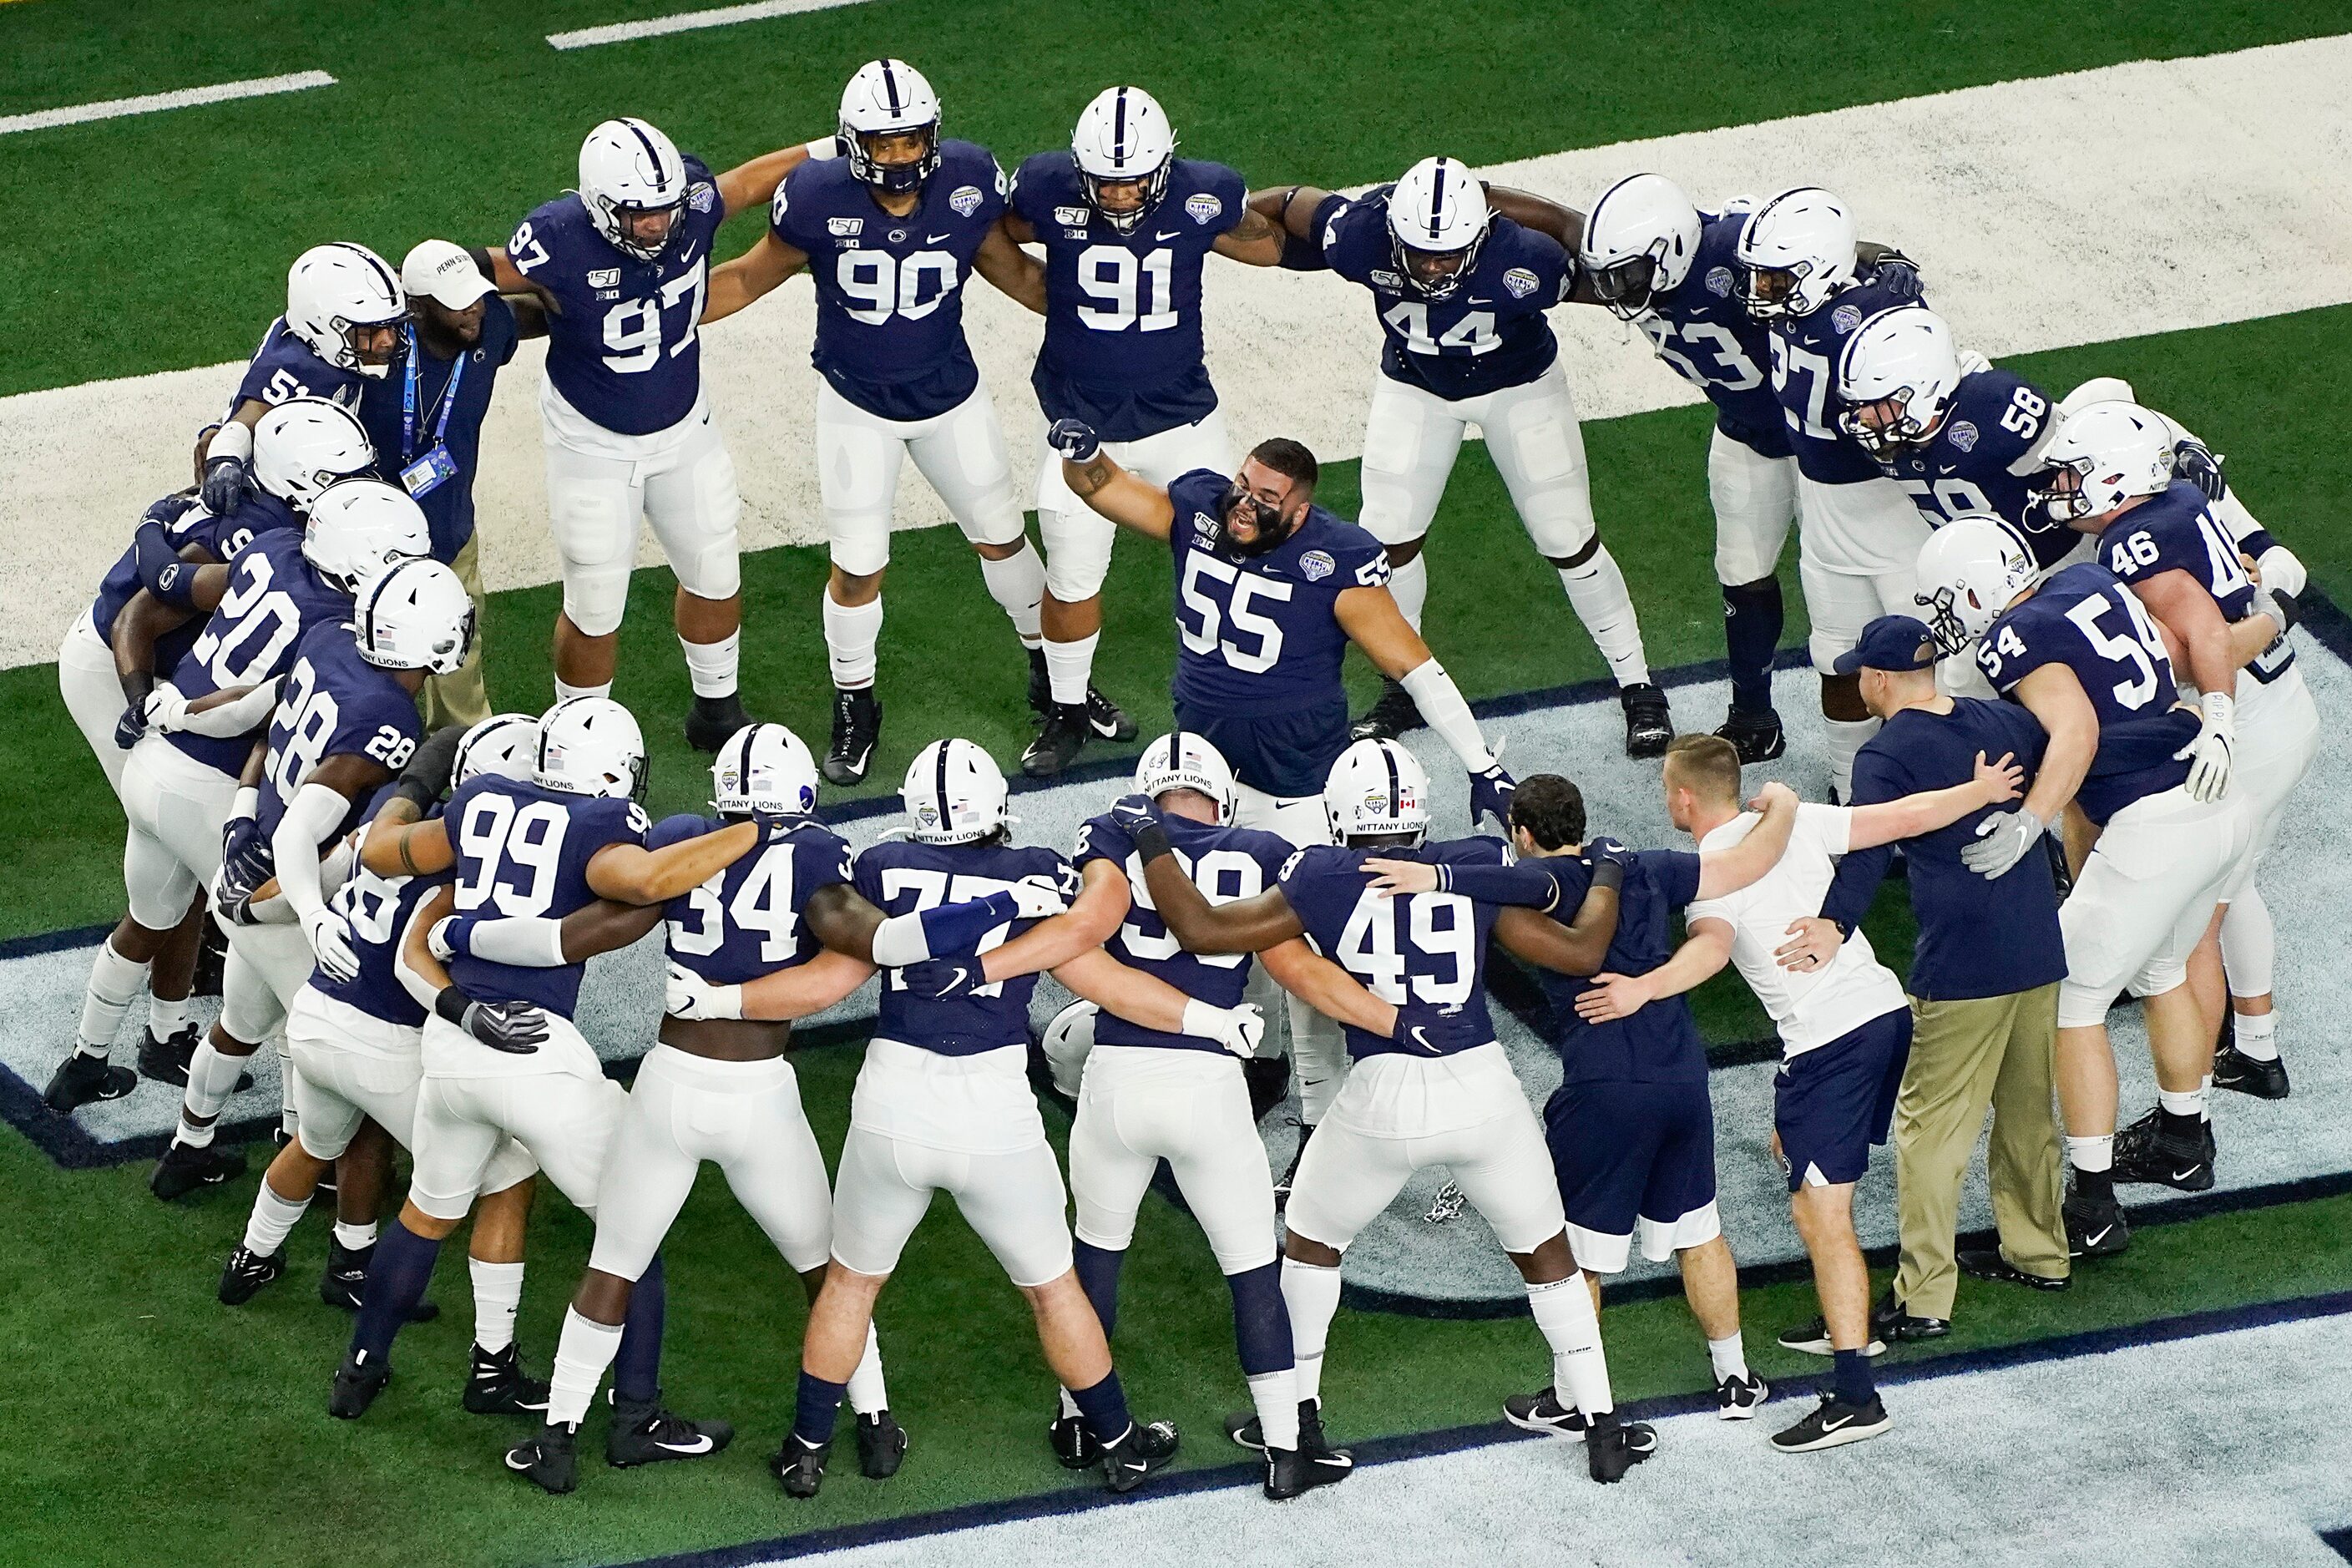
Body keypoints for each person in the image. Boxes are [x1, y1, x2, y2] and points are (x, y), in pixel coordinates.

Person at [495, 725, 1070, 1495]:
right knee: (832, 1274)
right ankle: (872, 1422)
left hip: (669, 1080)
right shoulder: (815, 854)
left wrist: (472, 935)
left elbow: (611, 915)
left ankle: (558, 1435)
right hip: (756, 1089)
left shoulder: (683, 836)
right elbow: (892, 943)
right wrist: (1005, 901)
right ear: (801, 790)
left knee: (613, 1264)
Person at [1130, 736, 1671, 1484]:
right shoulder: (1471, 863)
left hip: (1381, 1092)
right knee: (1548, 1257)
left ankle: (1294, 1424)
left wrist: (1149, 836)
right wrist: (1605, 868)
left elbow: (1202, 929)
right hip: (1480, 1087)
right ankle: (1602, 1426)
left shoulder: (1322, 873)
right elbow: (1581, 953)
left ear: (1336, 811)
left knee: (1311, 1244)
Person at [756, 739, 1247, 1499]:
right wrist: (1209, 1022)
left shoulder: (880, 867)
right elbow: (1104, 976)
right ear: (999, 812)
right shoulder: (1034, 875)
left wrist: (725, 1004)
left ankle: (806, 1447)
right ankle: (1118, 1443)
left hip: (893, 1094)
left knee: (851, 1284)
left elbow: (833, 972)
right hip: (993, 1110)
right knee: (1055, 1291)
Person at [1050, 427, 1515, 1192]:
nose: (1244, 502)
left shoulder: (1333, 560)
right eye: (1244, 484)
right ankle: (1257, 1062)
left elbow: (1414, 667)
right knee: (1210, 936)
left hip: (1297, 792)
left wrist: (1483, 764)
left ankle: (1317, 1128)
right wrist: (1076, 453)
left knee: (1303, 969)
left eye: (1266, 497)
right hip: (1207, 786)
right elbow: (1102, 488)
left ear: (1299, 511)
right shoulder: (1201, 506)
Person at [335, 696, 756, 1466]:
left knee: (428, 1212)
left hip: (455, 1046)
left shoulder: (482, 801)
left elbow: (385, 853)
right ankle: (637, 1417)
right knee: (633, 1230)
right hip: (537, 1053)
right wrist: (750, 829)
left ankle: (359, 1370)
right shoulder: (600, 826)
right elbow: (646, 878)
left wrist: (422, 779)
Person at [974, 732, 1392, 1498]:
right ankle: (1284, 1449)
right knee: (1251, 1273)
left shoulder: (1107, 833)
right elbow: (1301, 954)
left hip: (1117, 1076)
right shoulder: (1264, 849)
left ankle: (1081, 1422)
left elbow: (1080, 931)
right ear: (1220, 793)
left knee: (1092, 1259)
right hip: (1208, 1086)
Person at [1580, 731, 2021, 1449]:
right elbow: (1903, 817)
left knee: (1824, 1219)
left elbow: (1711, 948)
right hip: (1881, 1017)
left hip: (1829, 1042)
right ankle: (1843, 1325)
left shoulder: (1711, 868)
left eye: (1667, 788)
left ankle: (1855, 1393)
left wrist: (1643, 990)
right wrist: (1977, 792)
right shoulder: (1799, 817)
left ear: (1684, 797)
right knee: (1804, 1169)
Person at [698, 60, 1060, 785]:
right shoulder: (813, 197)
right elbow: (745, 276)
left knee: (1003, 540)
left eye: (909, 141)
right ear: (852, 142)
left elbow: (1014, 270)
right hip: (856, 406)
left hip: (950, 397)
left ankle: (1058, 681)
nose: (898, 157)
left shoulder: (966, 182)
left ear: (931, 136)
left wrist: (1098, 320)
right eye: (882, 143)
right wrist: (653, 309)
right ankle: (855, 702)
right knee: (858, 566)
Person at [1250, 160, 1672, 756]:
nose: (1430, 267)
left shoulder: (1528, 258)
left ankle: (1638, 686)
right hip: (1415, 386)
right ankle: (1403, 681)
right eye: (1418, 252)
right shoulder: (1362, 232)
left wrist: (1597, 245)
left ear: (1481, 236)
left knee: (1566, 536)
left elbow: (1614, 284)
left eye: (1446, 254)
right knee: (1386, 540)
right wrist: (1219, 214)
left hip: (1519, 388)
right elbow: (1286, 202)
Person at [1915, 517, 2253, 1258]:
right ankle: (2181, 1137)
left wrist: (2031, 819)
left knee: (2072, 1000)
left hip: (2155, 820)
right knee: (2161, 966)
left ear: (1978, 588)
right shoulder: (2084, 578)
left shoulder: (2015, 638)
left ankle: (2092, 1204)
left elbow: (2075, 732)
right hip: (2213, 796)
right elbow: (2166, 657)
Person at [216, 715, 554, 1417]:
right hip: (380, 1037)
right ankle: (492, 1363)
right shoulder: (476, 859)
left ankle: (251, 1259)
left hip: (316, 1015)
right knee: (508, 1174)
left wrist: (260, 908)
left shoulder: (388, 819)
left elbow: (330, 867)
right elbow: (425, 964)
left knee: (317, 1143)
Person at [2042, 402, 2315, 1174]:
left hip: (2243, 735)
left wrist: (2261, 630)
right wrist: (2273, 612)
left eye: (2071, 470)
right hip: (2274, 714)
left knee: (2186, 931)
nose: (2062, 485)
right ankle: (2253, 1049)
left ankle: (2182, 1126)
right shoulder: (2178, 502)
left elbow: (2207, 647)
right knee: (2233, 887)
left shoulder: (2138, 537)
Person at [480, 119, 816, 745]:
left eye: (663, 211)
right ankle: (577, 736)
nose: (657, 226)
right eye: (639, 215)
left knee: (715, 569)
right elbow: (488, 271)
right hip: (592, 442)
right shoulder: (558, 237)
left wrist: (827, 148)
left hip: (686, 427)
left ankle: (716, 709)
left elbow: (742, 185)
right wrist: (429, 276)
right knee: (595, 601)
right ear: (599, 206)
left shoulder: (688, 203)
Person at [145, 482, 437, 1202]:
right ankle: (323, 1188)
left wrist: (239, 813)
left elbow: (253, 717)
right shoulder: (384, 710)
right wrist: (312, 913)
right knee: (322, 1036)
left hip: (248, 867)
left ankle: (188, 1149)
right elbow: (307, 825)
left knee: (239, 1023)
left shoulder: (330, 635)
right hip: (288, 885)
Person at [1785, 616, 2071, 1334]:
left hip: (1963, 962)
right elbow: (2076, 747)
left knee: (1929, 1132)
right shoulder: (2003, 718)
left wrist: (1832, 923)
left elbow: (1866, 851)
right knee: (2029, 1112)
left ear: (1878, 680)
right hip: (2038, 944)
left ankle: (1923, 1298)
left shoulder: (1884, 755)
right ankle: (2040, 1253)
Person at [1002, 86, 1289, 775]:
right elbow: (991, 235)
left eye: (1134, 181)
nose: (1121, 195)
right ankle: (1067, 709)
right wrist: (1043, 290)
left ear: (1163, 168)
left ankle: (1244, 700)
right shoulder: (1046, 187)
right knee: (1071, 577)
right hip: (1083, 428)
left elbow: (1268, 244)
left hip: (1182, 420)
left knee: (1234, 566)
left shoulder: (1205, 195)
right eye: (1104, 181)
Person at [1480, 773, 1772, 1421]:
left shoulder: (1532, 887)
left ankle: (1569, 1400)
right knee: (1701, 1231)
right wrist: (1782, 807)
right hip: (1681, 1076)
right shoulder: (1646, 866)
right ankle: (1734, 1379)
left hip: (1603, 1086)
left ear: (1522, 835)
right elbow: (1748, 862)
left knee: (1578, 1253)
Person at [45, 427, 276, 1110]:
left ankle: (122, 1046)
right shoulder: (242, 534)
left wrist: (153, 523)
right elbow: (141, 616)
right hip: (121, 670)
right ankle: (165, 1035)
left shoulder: (201, 507)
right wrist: (141, 700)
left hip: (143, 669)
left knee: (169, 883)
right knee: (176, 865)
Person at [1735, 187, 1932, 801]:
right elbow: (1851, 256)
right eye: (1760, 276)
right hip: (1822, 512)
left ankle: (1944, 792)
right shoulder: (1812, 295)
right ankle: (1853, 792)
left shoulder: (1879, 317)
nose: (1759, 289)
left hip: (1891, 512)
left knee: (1934, 670)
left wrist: (1880, 268)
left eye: (1774, 278)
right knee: (1834, 658)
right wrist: (1879, 254)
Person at [354, 240, 548, 729]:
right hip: (368, 546)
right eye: (457, 303)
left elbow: (541, 312)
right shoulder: (375, 349)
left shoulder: (492, 327)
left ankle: (461, 750)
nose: (475, 311)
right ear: (416, 309)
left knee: (458, 649)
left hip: (450, 532)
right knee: (366, 657)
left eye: (477, 296)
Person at [1833, 305, 2080, 575]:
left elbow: (2084, 448)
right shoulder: (1891, 436)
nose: (1865, 418)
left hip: (2060, 565)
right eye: (1859, 405)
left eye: (1878, 404)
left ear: (1923, 389)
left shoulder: (1990, 407)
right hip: (1980, 580)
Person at [197, 243, 407, 514]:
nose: (388, 341)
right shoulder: (293, 369)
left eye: (390, 326)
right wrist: (226, 458)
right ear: (324, 325)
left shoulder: (311, 334)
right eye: (371, 331)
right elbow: (249, 419)